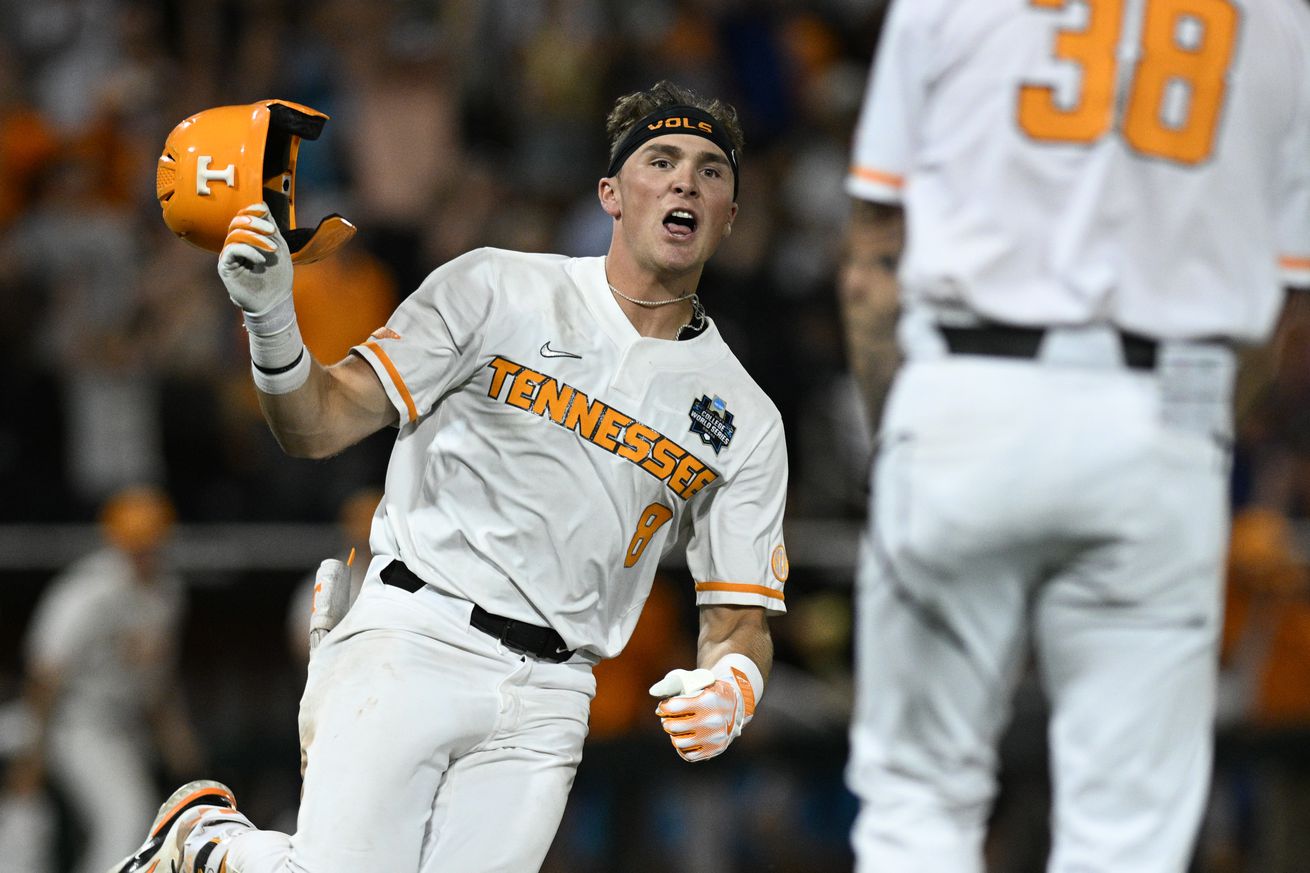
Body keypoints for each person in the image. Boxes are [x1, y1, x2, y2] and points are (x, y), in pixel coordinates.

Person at [113, 80, 789, 873]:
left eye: (712, 171)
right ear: (611, 191)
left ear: (730, 215)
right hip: (418, 634)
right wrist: (271, 316)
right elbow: (317, 422)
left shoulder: (746, 416)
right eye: (662, 160)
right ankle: (206, 842)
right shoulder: (496, 287)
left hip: (554, 694)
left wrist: (735, 683)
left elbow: (738, 620)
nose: (686, 181)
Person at [839, 2, 1310, 871]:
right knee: (1126, 831)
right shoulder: (1285, 18)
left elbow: (875, 243)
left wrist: (905, 436)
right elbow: (1287, 303)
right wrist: (1194, 438)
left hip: (963, 388)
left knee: (918, 797)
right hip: (1167, 407)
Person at [16, 486, 202, 873]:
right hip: (74, 724)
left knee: (143, 819)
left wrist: (177, 740)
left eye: (151, 542)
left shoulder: (168, 591)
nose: (145, 553)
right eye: (136, 544)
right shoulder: (87, 590)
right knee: (126, 816)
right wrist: (32, 754)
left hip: (122, 727)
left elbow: (158, 680)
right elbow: (45, 674)